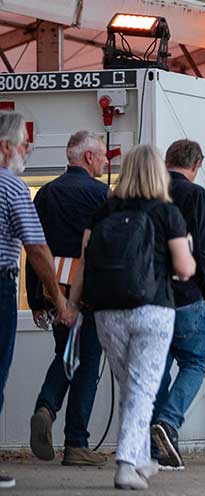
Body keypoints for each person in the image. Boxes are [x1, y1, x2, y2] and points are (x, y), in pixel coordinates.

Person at [70, 144, 195, 490]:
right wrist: (189, 250)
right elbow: (185, 269)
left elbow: (84, 262)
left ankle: (139, 458)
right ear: (158, 174)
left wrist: (71, 304)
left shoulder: (103, 212)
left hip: (107, 312)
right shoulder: (167, 213)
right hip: (153, 310)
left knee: (130, 386)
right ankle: (126, 464)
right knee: (142, 388)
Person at [0, 112, 78, 488]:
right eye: (23, 145)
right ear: (5, 147)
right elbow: (36, 249)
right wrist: (59, 301)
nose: (27, 151)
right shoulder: (13, 188)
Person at [27, 130, 109, 466]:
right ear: (89, 157)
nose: (106, 161)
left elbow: (33, 247)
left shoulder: (45, 194)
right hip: (87, 292)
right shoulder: (101, 195)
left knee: (67, 353)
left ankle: (47, 411)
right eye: (102, 155)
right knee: (86, 362)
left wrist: (36, 299)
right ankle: (76, 442)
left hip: (53, 290)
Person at [150, 139, 205, 470]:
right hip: (186, 294)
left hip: (150, 296)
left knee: (157, 369)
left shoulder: (149, 192)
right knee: (195, 361)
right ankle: (169, 421)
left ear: (167, 160)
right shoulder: (195, 195)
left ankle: (152, 443)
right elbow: (202, 246)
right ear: (196, 164)